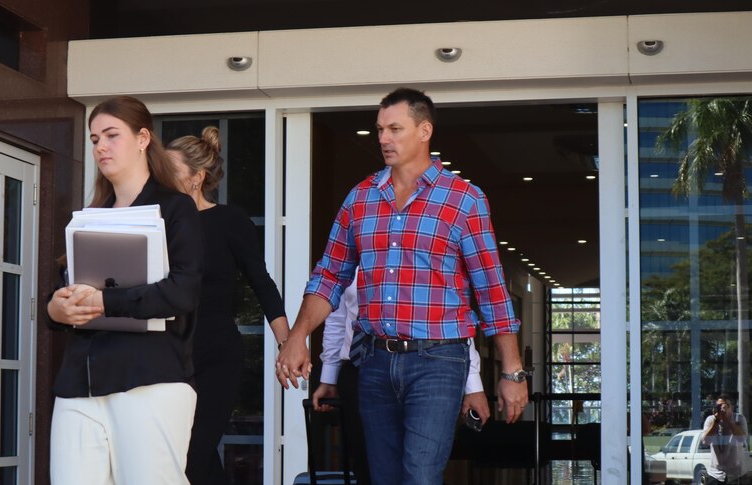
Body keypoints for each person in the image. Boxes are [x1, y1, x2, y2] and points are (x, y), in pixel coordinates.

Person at [277, 87, 528, 484]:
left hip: (438, 361)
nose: (383, 138)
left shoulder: (463, 200)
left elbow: (491, 290)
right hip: (374, 361)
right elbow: (329, 275)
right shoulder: (360, 199)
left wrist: (512, 372)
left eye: (395, 128)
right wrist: (297, 337)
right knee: (383, 478)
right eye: (380, 129)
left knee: (420, 476)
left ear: (425, 130)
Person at [47, 96, 203, 485]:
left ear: (142, 138)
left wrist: (105, 302)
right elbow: (66, 294)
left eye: (112, 135)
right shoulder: (90, 216)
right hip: (80, 381)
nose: (100, 146)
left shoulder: (176, 209)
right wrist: (56, 309)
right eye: (94, 137)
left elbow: (183, 292)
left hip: (151, 379)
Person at [166, 127, 291, 485]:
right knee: (181, 456)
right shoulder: (159, 223)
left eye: (170, 171)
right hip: (167, 354)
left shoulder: (228, 221)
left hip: (216, 355)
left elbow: (261, 282)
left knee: (193, 456)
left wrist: (288, 344)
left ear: (197, 178)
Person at [313, 273, 491, 485]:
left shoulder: (423, 254)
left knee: (420, 469)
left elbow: (455, 318)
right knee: (369, 467)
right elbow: (336, 319)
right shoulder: (351, 256)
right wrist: (329, 378)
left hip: (427, 368)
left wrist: (473, 385)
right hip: (361, 370)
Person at [702, 394, 748, 484]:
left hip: (736, 474)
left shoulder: (739, 419)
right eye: (719, 406)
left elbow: (742, 439)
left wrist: (729, 421)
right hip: (715, 473)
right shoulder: (711, 420)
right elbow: (705, 441)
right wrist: (716, 421)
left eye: (726, 406)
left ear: (732, 407)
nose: (723, 409)